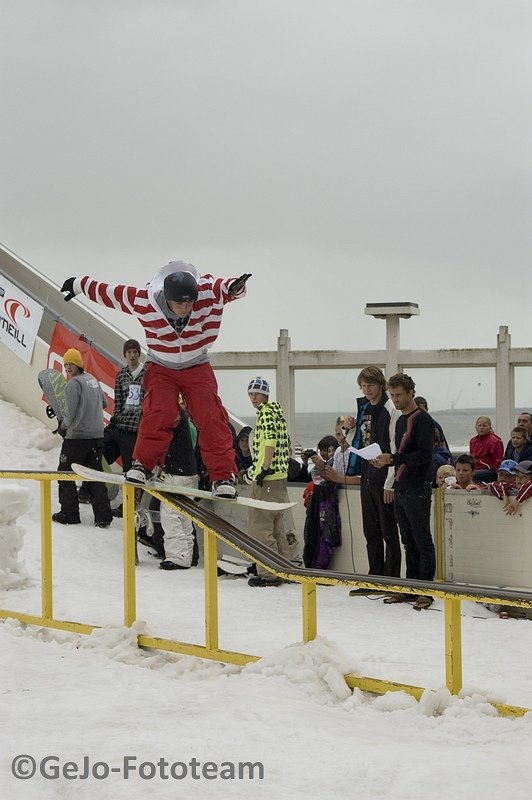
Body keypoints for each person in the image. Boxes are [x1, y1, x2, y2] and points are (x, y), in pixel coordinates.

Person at [60, 262, 250, 498]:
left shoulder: (204, 294)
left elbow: (224, 288)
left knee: (210, 415)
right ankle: (143, 465)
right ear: (167, 297)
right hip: (161, 366)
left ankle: (222, 477)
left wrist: (235, 286)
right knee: (158, 412)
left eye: (189, 302)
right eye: (180, 303)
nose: (186, 308)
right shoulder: (145, 301)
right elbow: (113, 294)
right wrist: (79, 285)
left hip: (196, 364)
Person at [329, 366, 402, 591]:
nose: (367, 389)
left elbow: (395, 448)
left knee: (389, 532)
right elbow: (356, 443)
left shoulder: (391, 410)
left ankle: (391, 580)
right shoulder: (364, 409)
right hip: (367, 476)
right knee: (371, 531)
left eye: (370, 385)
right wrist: (347, 428)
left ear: (381, 384)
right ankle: (374, 577)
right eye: (363, 385)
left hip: (384, 478)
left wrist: (390, 483)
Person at [372, 372, 436, 610]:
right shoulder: (399, 420)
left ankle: (426, 591)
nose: (396, 399)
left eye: (399, 395)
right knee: (407, 541)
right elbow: (400, 455)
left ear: (411, 393)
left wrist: (395, 458)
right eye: (392, 395)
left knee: (422, 541)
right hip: (401, 487)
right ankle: (410, 588)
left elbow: (424, 456)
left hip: (417, 488)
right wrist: (386, 461)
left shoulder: (423, 420)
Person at [52, 348, 113, 528]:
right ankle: (103, 516)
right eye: (66, 364)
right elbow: (105, 403)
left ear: (79, 364)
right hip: (96, 437)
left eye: (71, 363)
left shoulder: (73, 384)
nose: (68, 368)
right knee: (94, 477)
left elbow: (69, 414)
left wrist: (63, 426)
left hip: (77, 438)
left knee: (65, 473)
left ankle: (69, 513)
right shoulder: (93, 380)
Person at [246, 376, 291, 587]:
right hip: (280, 477)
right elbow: (287, 445)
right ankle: (284, 568)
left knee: (260, 526)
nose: (253, 397)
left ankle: (269, 573)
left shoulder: (265, 414)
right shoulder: (278, 414)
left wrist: (263, 468)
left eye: (257, 393)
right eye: (251, 393)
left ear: (265, 395)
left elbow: (270, 441)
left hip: (268, 477)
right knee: (276, 525)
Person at [158, 404, 199, 570]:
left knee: (170, 513)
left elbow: (159, 440)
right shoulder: (184, 420)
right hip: (189, 470)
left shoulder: (169, 412)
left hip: (176, 472)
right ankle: (187, 553)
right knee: (184, 515)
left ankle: (178, 555)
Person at [104, 339, 145, 474]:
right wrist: (115, 418)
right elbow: (118, 401)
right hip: (121, 425)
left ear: (139, 354)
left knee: (130, 468)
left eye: (134, 352)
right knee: (100, 454)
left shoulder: (147, 373)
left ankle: (132, 494)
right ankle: (93, 488)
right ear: (125, 355)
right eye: (129, 352)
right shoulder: (121, 375)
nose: (132, 355)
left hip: (135, 429)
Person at [469, 416, 504, 484]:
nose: (481, 428)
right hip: (475, 468)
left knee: (472, 475)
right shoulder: (473, 441)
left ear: (490, 427)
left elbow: (498, 460)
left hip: (489, 470)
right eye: (479, 425)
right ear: (476, 427)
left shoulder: (495, 441)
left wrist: (498, 476)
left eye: (484, 426)